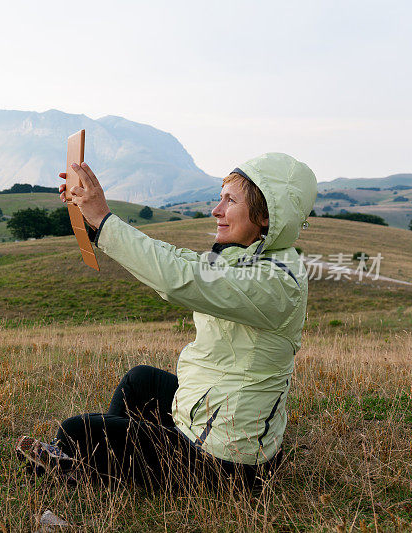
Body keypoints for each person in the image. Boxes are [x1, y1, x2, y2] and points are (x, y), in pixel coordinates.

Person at [16, 152, 317, 491]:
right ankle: (99, 464)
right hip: (212, 417)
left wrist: (104, 219)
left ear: (265, 216)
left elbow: (180, 277)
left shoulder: (275, 284)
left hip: (227, 461)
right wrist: (93, 220)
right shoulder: (251, 255)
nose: (216, 210)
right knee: (141, 381)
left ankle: (86, 469)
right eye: (220, 198)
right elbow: (178, 260)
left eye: (230, 201)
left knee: (78, 431)